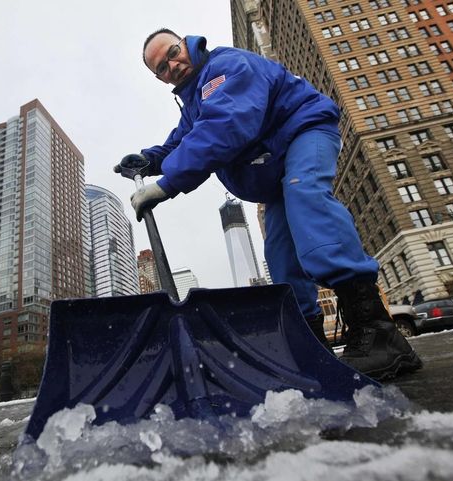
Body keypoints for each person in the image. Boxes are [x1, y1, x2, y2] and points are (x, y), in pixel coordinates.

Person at [114, 29, 422, 381]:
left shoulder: (225, 66)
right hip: (274, 170)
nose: (173, 65)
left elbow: (224, 126)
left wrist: (167, 185)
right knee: (280, 252)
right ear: (160, 78)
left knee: (306, 196)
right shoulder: (195, 99)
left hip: (303, 133)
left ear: (186, 43)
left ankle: (378, 333)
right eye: (162, 68)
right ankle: (311, 345)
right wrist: (147, 160)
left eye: (172, 53)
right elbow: (182, 140)